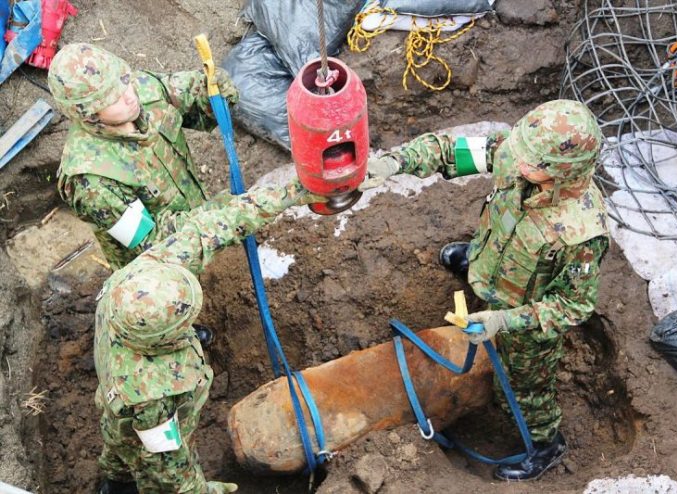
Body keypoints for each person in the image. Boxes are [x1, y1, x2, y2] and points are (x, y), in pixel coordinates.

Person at [361, 99, 609, 481]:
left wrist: (502, 321)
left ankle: (544, 445)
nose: (518, 162)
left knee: (522, 391)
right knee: (482, 251)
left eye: (534, 163)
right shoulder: (517, 154)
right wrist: (394, 163)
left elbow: (572, 306)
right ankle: (475, 264)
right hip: (494, 258)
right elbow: (449, 152)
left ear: (563, 172)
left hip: (525, 323)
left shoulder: (580, 233)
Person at [95, 178, 323, 494]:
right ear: (163, 341)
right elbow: (169, 466)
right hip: (139, 429)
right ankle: (118, 486)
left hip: (114, 400)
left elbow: (209, 227)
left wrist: (294, 191)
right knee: (135, 463)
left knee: (116, 438)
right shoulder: (150, 393)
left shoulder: (144, 276)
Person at [48, 43, 239, 271]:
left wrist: (211, 92)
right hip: (159, 272)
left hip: (198, 214)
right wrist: (215, 215)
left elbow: (184, 91)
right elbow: (151, 240)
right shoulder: (92, 181)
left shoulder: (139, 89)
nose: (129, 97)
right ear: (89, 116)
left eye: (125, 83)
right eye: (113, 100)